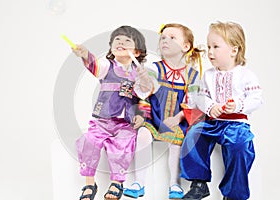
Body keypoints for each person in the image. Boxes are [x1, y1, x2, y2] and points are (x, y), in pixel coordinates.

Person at [180, 21, 263, 200]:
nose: (210, 52)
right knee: (194, 134)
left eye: (216, 47)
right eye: (209, 46)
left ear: (234, 50)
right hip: (214, 122)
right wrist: (210, 106)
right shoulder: (208, 75)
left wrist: (239, 105)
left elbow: (256, 99)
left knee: (240, 147)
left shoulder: (245, 75)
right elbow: (200, 97)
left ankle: (233, 193)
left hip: (236, 124)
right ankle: (198, 183)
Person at [123, 23, 205, 199]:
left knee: (176, 144)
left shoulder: (192, 75)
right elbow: (144, 92)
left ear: (186, 46)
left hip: (176, 120)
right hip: (154, 118)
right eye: (163, 38)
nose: (165, 40)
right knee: (143, 135)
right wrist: (144, 81)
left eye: (172, 37)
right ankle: (139, 182)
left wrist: (178, 118)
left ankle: (174, 184)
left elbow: (193, 102)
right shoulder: (154, 68)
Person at [73, 25, 147, 200]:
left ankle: (117, 183)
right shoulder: (108, 66)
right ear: (112, 48)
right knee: (89, 142)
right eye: (117, 40)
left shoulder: (140, 73)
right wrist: (85, 54)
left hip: (125, 123)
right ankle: (89, 184)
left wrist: (141, 115)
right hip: (102, 121)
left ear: (136, 52)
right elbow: (95, 65)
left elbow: (144, 97)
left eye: (127, 40)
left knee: (123, 145)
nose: (120, 42)